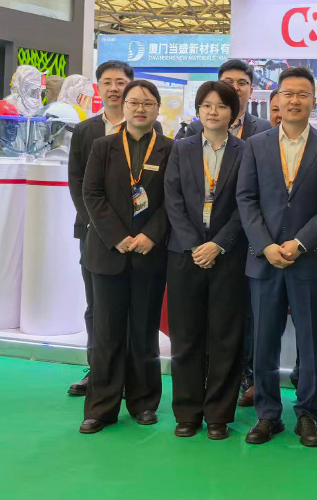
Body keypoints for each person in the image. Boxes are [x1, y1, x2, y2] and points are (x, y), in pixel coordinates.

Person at [237, 67, 317, 447]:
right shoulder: (255, 145)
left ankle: (308, 415)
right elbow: (246, 199)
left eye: (302, 94)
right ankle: (268, 414)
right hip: (264, 260)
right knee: (264, 341)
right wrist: (265, 245)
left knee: (311, 342)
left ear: (314, 101)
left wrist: (299, 244)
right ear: (277, 100)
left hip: (309, 261)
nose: (295, 100)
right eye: (288, 94)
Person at [79, 80, 173, 434]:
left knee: (144, 332)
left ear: (157, 108)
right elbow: (92, 194)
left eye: (148, 103)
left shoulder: (170, 149)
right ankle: (100, 408)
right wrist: (117, 237)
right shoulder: (103, 146)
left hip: (149, 253)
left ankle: (144, 403)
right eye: (134, 102)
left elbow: (173, 199)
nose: (140, 109)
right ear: (124, 106)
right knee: (107, 333)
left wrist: (151, 235)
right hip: (108, 253)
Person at [67, 61, 162, 397]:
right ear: (99, 87)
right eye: (106, 82)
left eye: (120, 82)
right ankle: (99, 373)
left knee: (139, 316)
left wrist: (143, 234)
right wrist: (104, 229)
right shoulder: (87, 131)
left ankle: (135, 386)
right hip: (96, 234)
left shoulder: (153, 130)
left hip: (142, 239)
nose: (113, 88)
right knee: (99, 309)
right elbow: (79, 184)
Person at [164, 81, 247, 440]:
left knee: (225, 338)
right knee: (186, 336)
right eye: (207, 105)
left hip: (228, 258)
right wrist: (197, 245)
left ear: (233, 113)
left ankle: (218, 415)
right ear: (198, 110)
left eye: (221, 106)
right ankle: (187, 412)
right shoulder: (180, 149)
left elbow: (247, 204)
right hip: (185, 256)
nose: (213, 112)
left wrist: (218, 245)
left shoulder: (246, 151)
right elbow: (173, 202)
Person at [175, 59, 270, 142]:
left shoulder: (265, 129)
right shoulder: (196, 128)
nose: (235, 88)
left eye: (241, 83)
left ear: (251, 91)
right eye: (228, 82)